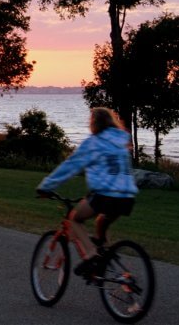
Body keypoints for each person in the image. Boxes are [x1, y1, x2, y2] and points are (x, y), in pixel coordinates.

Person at [36, 107, 138, 277]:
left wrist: (46, 186)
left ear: (93, 123)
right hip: (127, 196)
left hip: (105, 194)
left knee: (75, 218)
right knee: (101, 223)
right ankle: (105, 261)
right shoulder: (122, 141)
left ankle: (91, 255)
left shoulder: (94, 142)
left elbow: (70, 166)